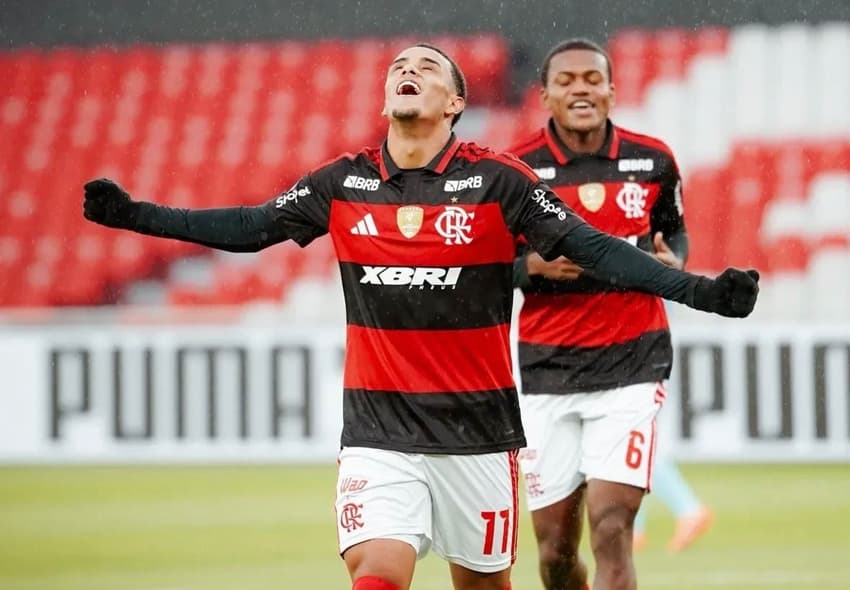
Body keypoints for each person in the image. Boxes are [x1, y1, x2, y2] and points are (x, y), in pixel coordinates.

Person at [82, 43, 758, 590]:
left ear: (456, 102)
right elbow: (249, 225)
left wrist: (698, 291)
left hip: (479, 435)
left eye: (427, 67)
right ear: (386, 97)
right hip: (378, 433)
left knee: (491, 582)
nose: (408, 72)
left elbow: (597, 251)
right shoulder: (342, 183)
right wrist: (135, 214)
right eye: (399, 67)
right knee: (377, 572)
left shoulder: (500, 182)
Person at [509, 38, 710, 590]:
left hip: (632, 366)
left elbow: (676, 232)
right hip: (547, 372)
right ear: (546, 95)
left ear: (612, 91)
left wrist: (679, 259)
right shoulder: (518, 170)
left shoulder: (653, 161)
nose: (581, 88)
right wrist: (532, 269)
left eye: (592, 79)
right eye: (567, 80)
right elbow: (487, 264)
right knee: (554, 552)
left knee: (612, 526)